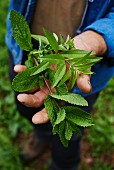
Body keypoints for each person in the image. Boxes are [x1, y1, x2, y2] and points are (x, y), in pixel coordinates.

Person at [6, 0, 114, 169]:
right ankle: (42, 134)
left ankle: (64, 164)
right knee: (26, 106)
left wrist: (97, 38)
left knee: (68, 140)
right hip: (27, 42)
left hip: (78, 62)